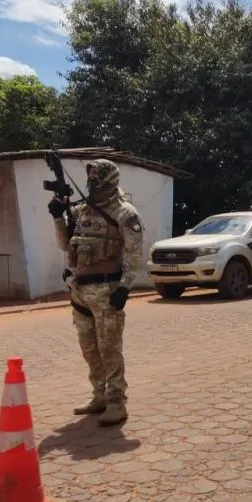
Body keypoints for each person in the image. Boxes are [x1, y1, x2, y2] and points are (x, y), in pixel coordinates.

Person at [48, 159, 143, 426]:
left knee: (109, 347)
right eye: (90, 179)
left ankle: (116, 403)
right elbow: (66, 245)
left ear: (109, 180)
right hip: (80, 289)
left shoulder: (125, 213)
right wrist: (57, 215)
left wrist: (125, 287)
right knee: (89, 348)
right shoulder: (81, 212)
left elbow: (134, 253)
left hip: (107, 289)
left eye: (96, 179)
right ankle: (99, 395)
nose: (91, 184)